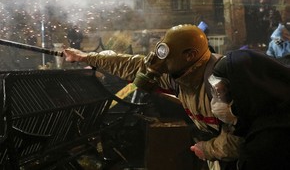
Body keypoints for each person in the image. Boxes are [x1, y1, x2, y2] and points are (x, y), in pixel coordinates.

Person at [63, 24, 243, 170]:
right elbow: (130, 65)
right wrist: (85, 57)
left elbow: (240, 139)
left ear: (190, 55)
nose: (159, 63)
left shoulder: (220, 85)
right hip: (218, 156)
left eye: (167, 56)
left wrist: (207, 149)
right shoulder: (180, 75)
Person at [208, 49, 290, 170]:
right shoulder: (278, 111)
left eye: (222, 93)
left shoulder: (264, 145)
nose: (215, 103)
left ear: (244, 90)